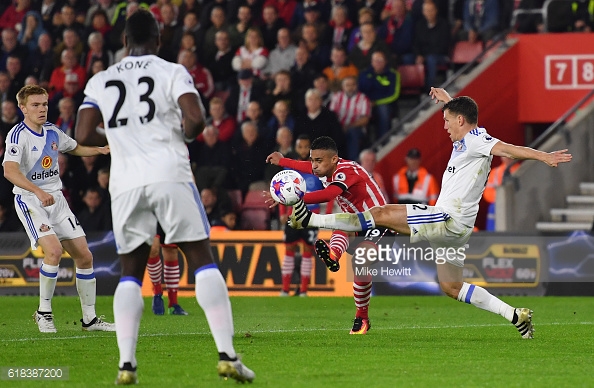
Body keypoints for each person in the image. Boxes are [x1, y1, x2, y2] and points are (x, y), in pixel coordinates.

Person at [288, 87, 573, 339]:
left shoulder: (475, 140)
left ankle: (311, 219)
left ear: (460, 121)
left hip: (447, 217)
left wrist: (543, 155)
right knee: (452, 286)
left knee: (381, 212)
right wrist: (448, 100)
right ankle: (515, 315)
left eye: (448, 121)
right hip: (458, 229)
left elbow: (508, 151)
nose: (445, 126)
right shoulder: (470, 137)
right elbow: (467, 122)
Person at [74, 9, 254, 384]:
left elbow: (83, 133)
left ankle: (126, 364)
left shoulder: (100, 80)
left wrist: (121, 138)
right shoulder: (172, 71)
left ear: (124, 42)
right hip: (170, 173)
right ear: (158, 40)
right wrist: (183, 134)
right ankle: (227, 355)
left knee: (131, 271)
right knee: (201, 258)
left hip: (125, 183)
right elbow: (196, 119)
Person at [2, 85, 114, 334]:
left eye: (44, 104)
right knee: (53, 251)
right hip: (30, 200)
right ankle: (43, 312)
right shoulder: (17, 136)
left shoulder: (52, 131)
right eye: (35, 105)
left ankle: (90, 320)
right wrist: (38, 191)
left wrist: (99, 150)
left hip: (56, 199)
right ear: (23, 108)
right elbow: (9, 171)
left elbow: (72, 147)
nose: (42, 109)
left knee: (84, 256)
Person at [266, 136, 389, 334]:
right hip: (355, 220)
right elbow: (304, 166)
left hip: (380, 220)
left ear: (334, 159)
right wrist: (283, 161)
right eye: (313, 160)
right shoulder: (325, 168)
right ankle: (333, 255)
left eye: (318, 161)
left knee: (360, 263)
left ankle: (361, 317)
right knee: (341, 223)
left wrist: (290, 199)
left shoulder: (346, 170)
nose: (314, 166)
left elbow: (328, 195)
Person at [277, 135, 323, 297]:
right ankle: (284, 289)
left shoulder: (318, 169)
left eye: (306, 147)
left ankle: (303, 290)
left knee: (307, 252)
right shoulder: (289, 170)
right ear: (296, 148)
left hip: (311, 216)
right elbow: (280, 193)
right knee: (289, 250)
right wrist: (283, 212)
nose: (303, 150)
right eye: (300, 147)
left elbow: (328, 192)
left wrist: (328, 212)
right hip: (293, 215)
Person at [147, 226, 188, 316]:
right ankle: (157, 293)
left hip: (168, 214)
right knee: (153, 249)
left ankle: (173, 304)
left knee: (171, 250)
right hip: (150, 213)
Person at [482, 156, 519, 231]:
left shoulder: (520, 169)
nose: (507, 158)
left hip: (516, 203)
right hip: (497, 203)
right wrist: (501, 199)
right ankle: (491, 235)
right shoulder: (495, 172)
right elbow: (487, 193)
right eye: (505, 156)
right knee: (492, 208)